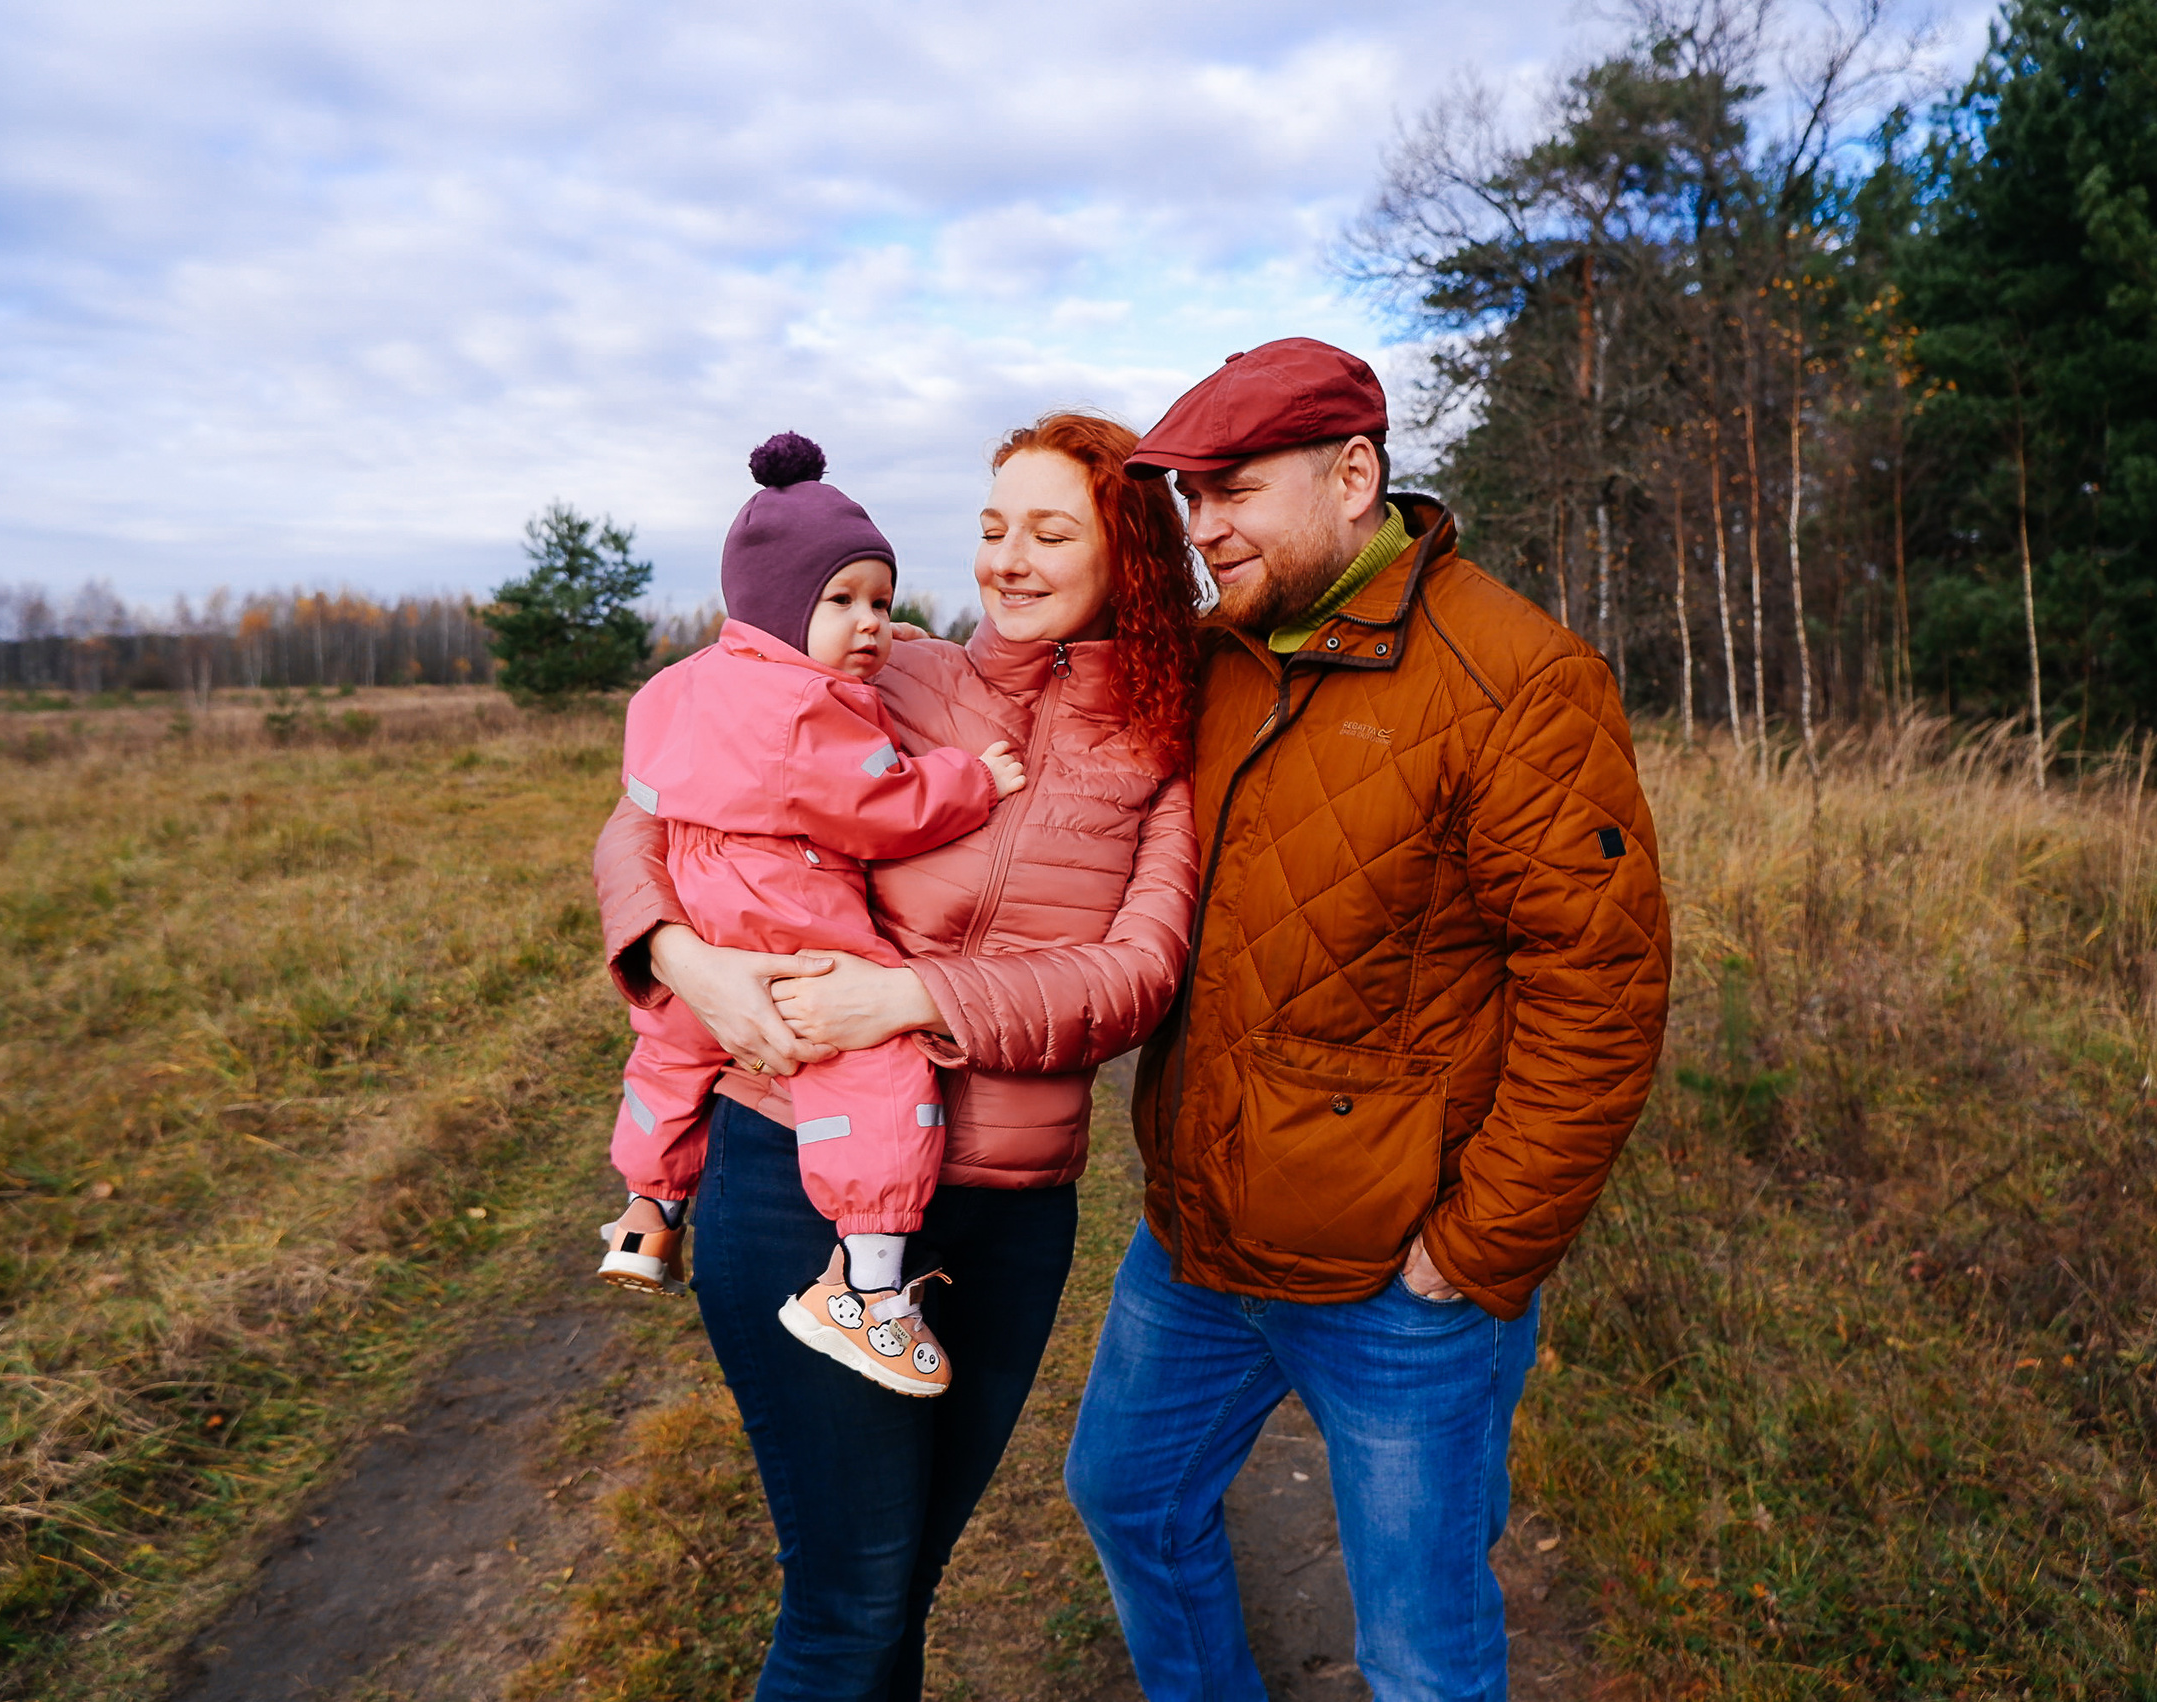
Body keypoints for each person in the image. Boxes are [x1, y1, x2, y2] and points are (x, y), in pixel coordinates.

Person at [1062, 337, 1672, 1702]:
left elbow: (1601, 990)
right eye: (1189, 497)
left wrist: (1477, 1246)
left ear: (1352, 477)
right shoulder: (1219, 655)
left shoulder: (1516, 678)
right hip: (1197, 1236)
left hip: (1395, 1284)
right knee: (1127, 1493)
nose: (1202, 526)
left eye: (1232, 490)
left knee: (1419, 1650)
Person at [591, 411, 1202, 1699]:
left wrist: (905, 998)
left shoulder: (1160, 743)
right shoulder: (891, 673)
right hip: (794, 1168)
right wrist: (684, 959)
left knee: (901, 1584)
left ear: (1128, 555)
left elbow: (1137, 977)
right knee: (850, 1602)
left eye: (1049, 532)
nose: (1006, 560)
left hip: (1008, 1217)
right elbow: (651, 815)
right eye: (991, 528)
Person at [595, 432, 1028, 1398]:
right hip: (781, 904)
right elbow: (878, 805)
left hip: (696, 895)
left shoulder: (686, 685)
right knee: (875, 1064)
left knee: (671, 1054)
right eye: (841, 602)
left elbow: (645, 794)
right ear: (781, 608)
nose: (870, 623)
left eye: (881, 601)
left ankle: (647, 1212)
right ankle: (866, 1288)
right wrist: (970, 778)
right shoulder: (808, 710)